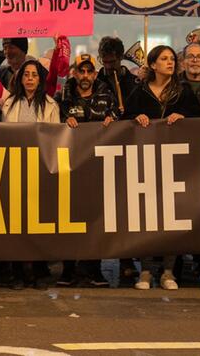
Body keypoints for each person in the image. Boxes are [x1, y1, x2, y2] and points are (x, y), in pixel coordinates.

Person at [0, 42, 61, 290]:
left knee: (38, 223)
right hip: (13, 169)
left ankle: (37, 271)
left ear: (40, 79)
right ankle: (17, 272)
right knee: (14, 224)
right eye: (25, 74)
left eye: (34, 75)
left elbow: (56, 138)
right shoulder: (8, 102)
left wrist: (58, 49)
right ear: (19, 78)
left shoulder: (50, 105)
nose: (29, 78)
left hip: (39, 170)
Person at [124, 45, 200, 290]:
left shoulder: (184, 92)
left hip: (176, 164)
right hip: (146, 163)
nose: (170, 62)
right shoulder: (139, 92)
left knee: (172, 217)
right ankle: (146, 272)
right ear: (153, 64)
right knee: (147, 218)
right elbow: (124, 121)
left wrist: (184, 118)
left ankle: (168, 272)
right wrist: (135, 119)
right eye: (164, 59)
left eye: (172, 59)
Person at [56, 53, 117, 287]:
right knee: (68, 219)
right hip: (68, 169)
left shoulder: (107, 96)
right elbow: (51, 125)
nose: (84, 76)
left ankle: (94, 270)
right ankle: (68, 270)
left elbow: (122, 118)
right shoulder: (63, 98)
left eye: (89, 71)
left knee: (96, 220)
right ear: (74, 73)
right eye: (80, 71)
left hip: (97, 169)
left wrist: (115, 120)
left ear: (94, 74)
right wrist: (64, 120)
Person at [95, 36, 138, 113]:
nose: (107, 67)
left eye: (112, 62)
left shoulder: (134, 82)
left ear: (121, 57)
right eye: (104, 62)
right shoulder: (96, 82)